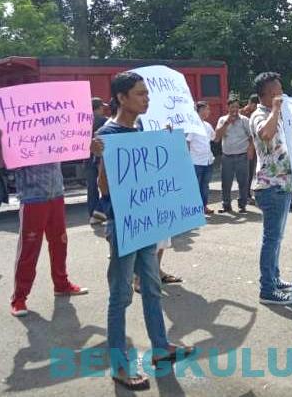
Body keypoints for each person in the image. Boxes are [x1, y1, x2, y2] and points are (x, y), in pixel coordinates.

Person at [95, 72, 193, 390]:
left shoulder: (139, 129)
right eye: (140, 94)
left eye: (147, 94)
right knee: (121, 295)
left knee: (151, 288)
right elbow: (105, 188)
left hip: (146, 224)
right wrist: (100, 159)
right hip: (123, 228)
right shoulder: (106, 135)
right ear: (121, 98)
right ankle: (120, 366)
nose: (146, 99)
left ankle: (161, 349)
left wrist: (165, 146)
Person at [3, 148, 89, 317]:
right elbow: (9, 161)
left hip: (56, 192)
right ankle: (19, 297)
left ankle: (61, 284)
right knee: (29, 249)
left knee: (60, 242)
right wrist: (5, 144)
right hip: (32, 196)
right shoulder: (19, 131)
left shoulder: (52, 128)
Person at [250, 72, 292, 305]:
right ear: (267, 94)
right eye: (277, 91)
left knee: (276, 238)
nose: (282, 94)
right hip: (270, 187)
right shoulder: (260, 115)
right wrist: (277, 110)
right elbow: (265, 135)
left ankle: (274, 279)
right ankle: (267, 289)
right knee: (271, 239)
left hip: (282, 184)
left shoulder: (275, 114)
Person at [215, 96, 253, 213]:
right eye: (232, 107)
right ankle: (226, 205)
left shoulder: (244, 120)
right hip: (227, 157)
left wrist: (250, 149)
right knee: (226, 182)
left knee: (243, 182)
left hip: (242, 155)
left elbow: (252, 136)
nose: (234, 110)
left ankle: (242, 205)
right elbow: (217, 137)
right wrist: (227, 123)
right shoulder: (222, 120)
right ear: (228, 107)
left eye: (236, 107)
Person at [187, 101, 215, 216]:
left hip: (208, 160)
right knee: (195, 186)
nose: (207, 112)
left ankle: (204, 206)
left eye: (208, 109)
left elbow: (214, 138)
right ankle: (195, 209)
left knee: (205, 185)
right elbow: (187, 142)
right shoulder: (192, 126)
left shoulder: (208, 125)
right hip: (196, 161)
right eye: (205, 109)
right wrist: (187, 159)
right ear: (198, 111)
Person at [87, 97, 109, 225]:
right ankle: (101, 212)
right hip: (100, 158)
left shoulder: (84, 121)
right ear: (99, 108)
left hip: (87, 158)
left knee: (92, 187)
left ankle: (92, 214)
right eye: (102, 107)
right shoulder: (104, 121)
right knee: (105, 185)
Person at [240, 94, 260, 195]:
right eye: (256, 105)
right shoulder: (241, 114)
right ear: (251, 104)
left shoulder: (257, 113)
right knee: (246, 172)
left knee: (251, 171)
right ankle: (245, 194)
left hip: (255, 147)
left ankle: (247, 193)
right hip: (244, 148)